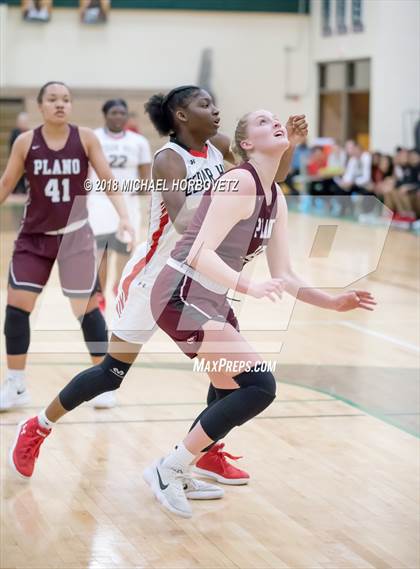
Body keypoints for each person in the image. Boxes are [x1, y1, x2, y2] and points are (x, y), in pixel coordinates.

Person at [9, 86, 307, 489]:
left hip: (197, 274)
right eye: (204, 105)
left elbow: (268, 175)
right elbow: (187, 224)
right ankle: (37, 427)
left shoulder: (220, 147)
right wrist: (233, 209)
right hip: (155, 275)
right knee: (110, 374)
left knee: (222, 367)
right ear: (181, 116)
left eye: (215, 103)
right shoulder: (168, 159)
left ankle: (205, 452)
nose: (215, 110)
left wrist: (285, 146)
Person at [140, 109, 377, 517]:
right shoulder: (239, 181)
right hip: (180, 291)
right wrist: (248, 286)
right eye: (263, 122)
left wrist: (332, 300)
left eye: (275, 119)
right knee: (259, 385)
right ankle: (170, 467)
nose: (275, 123)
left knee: (230, 390)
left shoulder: (274, 196)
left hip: (211, 296)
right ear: (246, 143)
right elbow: (198, 252)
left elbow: (283, 273)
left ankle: (178, 466)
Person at [0, 81, 134, 411]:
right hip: (34, 239)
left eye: (66, 99)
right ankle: (16, 384)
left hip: (75, 236)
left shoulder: (86, 138)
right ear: (41, 106)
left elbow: (108, 179)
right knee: (17, 305)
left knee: (86, 308)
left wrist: (125, 216)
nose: (60, 104)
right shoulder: (25, 142)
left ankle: (105, 381)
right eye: (52, 99)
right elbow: (6, 182)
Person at [87, 98, 151, 320]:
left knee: (124, 249)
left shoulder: (139, 141)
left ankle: (117, 286)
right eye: (113, 112)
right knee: (101, 251)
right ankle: (100, 294)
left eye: (122, 113)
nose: (118, 117)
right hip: (99, 202)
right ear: (106, 115)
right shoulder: (93, 137)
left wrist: (144, 190)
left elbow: (145, 173)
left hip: (128, 202)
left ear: (126, 116)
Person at [9, 112, 30, 195]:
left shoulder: (29, 133)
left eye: (25, 122)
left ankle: (25, 190)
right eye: (21, 122)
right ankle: (14, 190)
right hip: (16, 159)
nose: (23, 124)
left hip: (26, 159)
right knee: (15, 175)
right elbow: (11, 147)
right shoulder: (14, 133)